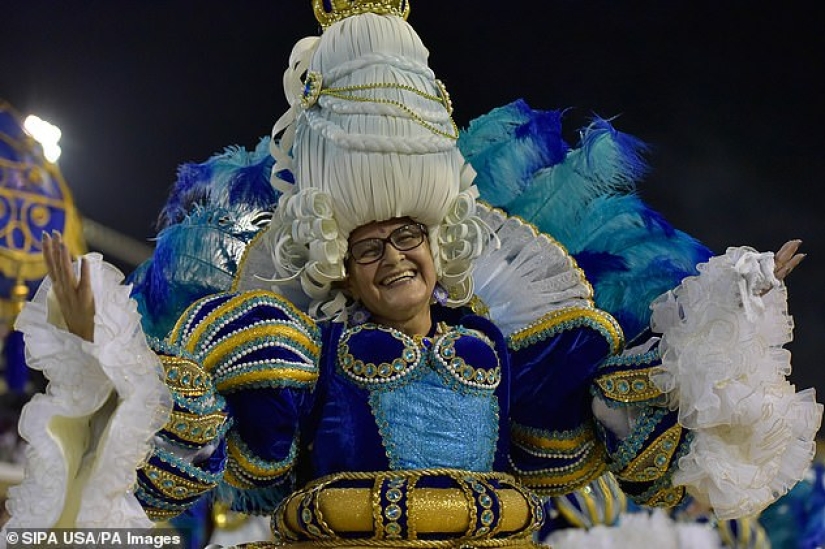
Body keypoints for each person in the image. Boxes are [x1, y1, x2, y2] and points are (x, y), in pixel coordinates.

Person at [2, 2, 821, 548]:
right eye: (368, 248)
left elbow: (617, 411)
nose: (394, 256)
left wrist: (730, 312)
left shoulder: (510, 352)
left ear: (442, 244)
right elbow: (195, 425)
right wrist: (101, 347)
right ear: (339, 269)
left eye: (409, 237)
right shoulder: (298, 355)